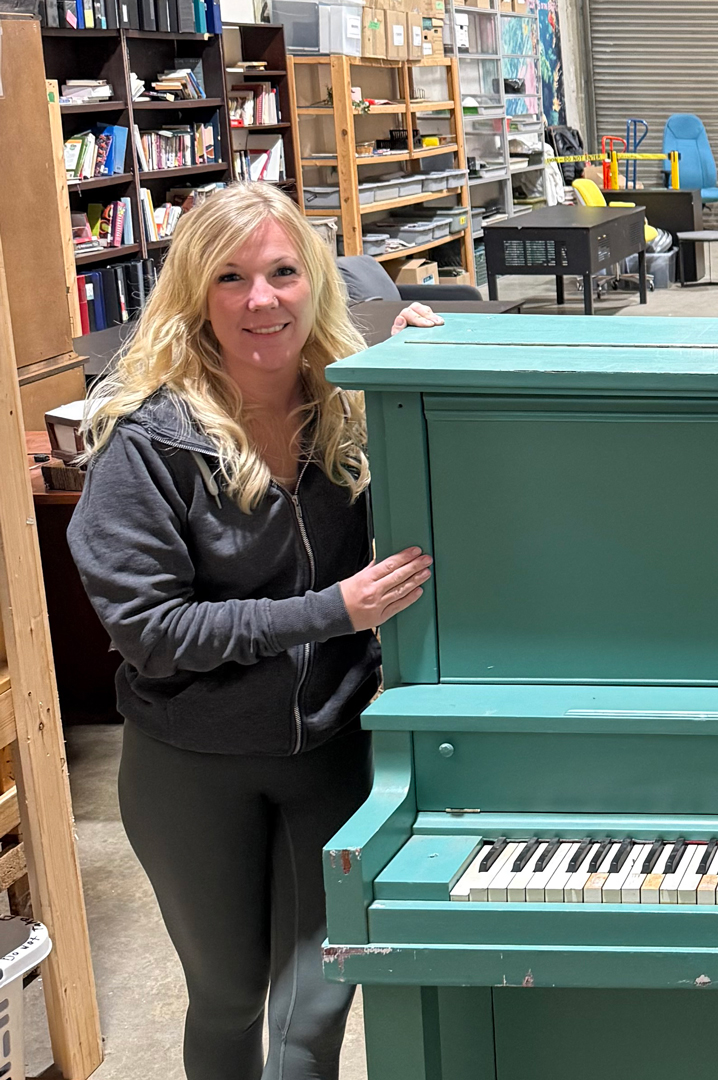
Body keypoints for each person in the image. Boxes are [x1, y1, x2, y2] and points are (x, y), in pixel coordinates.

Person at [68, 182, 445, 1080]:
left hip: (330, 752)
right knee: (230, 996)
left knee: (316, 1004)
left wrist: (427, 360)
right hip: (194, 762)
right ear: (195, 295)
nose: (260, 300)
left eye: (282, 273)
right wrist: (333, 610)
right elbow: (150, 629)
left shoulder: (349, 406)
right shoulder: (150, 438)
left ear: (315, 280)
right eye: (230, 278)